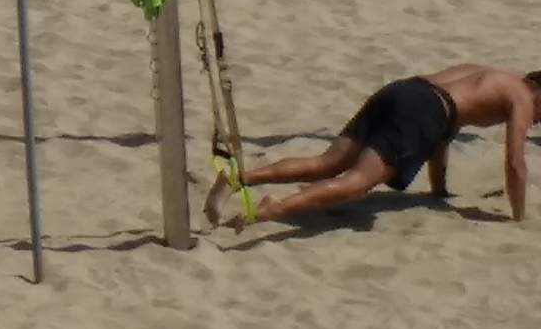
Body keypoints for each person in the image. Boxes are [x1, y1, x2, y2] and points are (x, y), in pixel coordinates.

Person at [206, 65, 539, 230]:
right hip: (424, 110)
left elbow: (444, 133)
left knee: (327, 163)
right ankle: (273, 209)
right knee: (358, 182)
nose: (536, 122)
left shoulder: (488, 75)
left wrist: (439, 191)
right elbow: (514, 163)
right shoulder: (521, 97)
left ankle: (238, 179)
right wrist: (519, 217)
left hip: (404, 90)